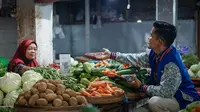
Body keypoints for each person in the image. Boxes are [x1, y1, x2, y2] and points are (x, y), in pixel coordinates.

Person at [97, 21, 200, 112]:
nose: (148, 38)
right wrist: (111, 55)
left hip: (182, 98)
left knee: (154, 103)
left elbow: (166, 92)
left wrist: (141, 86)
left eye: (151, 35)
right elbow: (136, 59)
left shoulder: (171, 62)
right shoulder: (155, 53)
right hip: (167, 96)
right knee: (138, 110)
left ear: (159, 41)